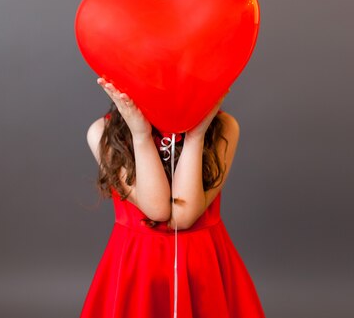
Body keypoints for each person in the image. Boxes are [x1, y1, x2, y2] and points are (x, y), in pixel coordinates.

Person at [80, 77, 266, 318]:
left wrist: (196, 136)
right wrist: (140, 135)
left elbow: (182, 217)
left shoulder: (224, 126)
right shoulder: (102, 132)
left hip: (202, 270)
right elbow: (156, 210)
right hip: (137, 272)